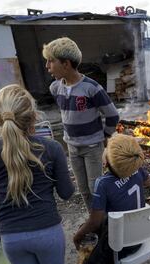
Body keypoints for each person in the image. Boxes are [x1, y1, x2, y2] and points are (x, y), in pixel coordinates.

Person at [0, 85, 75, 264]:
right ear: (33, 116)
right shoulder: (52, 148)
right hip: (48, 232)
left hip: (11, 237)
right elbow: (67, 193)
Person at [42, 37, 120, 211]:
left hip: (92, 148)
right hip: (72, 148)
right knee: (83, 190)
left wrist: (105, 136)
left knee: (96, 189)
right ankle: (93, 221)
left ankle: (105, 222)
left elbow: (113, 115)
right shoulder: (56, 88)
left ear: (66, 64)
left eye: (51, 61)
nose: (47, 66)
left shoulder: (92, 88)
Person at [73, 134, 150, 264]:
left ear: (107, 162)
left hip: (122, 243)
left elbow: (95, 222)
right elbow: (148, 182)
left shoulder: (103, 183)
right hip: (141, 232)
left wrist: (78, 235)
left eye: (106, 149)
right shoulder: (136, 168)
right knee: (93, 228)